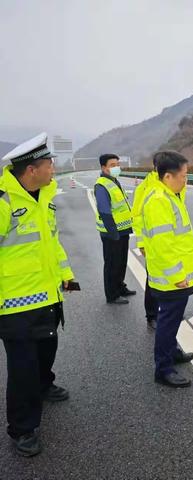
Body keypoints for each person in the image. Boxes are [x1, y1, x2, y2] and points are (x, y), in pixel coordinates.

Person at [0, 133, 76, 457]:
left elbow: (52, 244)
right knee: (22, 369)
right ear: (32, 170)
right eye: (49, 164)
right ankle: (22, 428)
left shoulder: (44, 198)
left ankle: (45, 385)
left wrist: (66, 275)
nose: (54, 169)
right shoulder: (4, 204)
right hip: (14, 305)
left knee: (48, 349)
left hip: (47, 296)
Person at [143, 151, 193, 388]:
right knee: (167, 321)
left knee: (173, 319)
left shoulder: (170, 194)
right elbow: (164, 245)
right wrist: (177, 276)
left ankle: (172, 351)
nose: (186, 180)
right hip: (170, 278)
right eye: (183, 176)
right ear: (167, 176)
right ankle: (163, 368)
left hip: (177, 274)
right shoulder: (158, 201)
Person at [94, 153, 136, 304]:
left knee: (122, 261)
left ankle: (120, 286)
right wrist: (113, 233)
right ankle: (112, 295)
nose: (116, 167)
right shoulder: (102, 185)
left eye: (117, 165)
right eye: (112, 165)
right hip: (112, 232)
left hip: (123, 230)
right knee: (112, 263)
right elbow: (104, 211)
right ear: (103, 167)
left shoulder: (114, 181)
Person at [132, 157, 159, 328]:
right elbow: (137, 216)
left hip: (173, 243)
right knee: (154, 280)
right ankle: (152, 315)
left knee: (174, 279)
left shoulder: (176, 186)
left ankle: (170, 310)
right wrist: (141, 242)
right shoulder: (145, 188)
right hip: (153, 243)